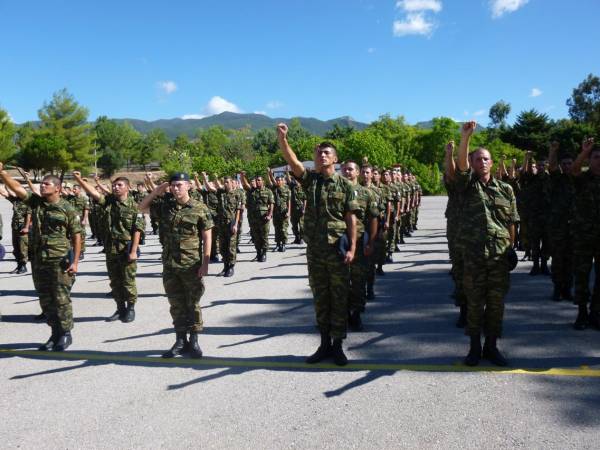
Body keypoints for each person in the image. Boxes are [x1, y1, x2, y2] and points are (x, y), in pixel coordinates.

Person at [277, 123, 358, 366]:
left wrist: (353, 247)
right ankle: (324, 344)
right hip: (316, 251)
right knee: (321, 298)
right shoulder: (310, 180)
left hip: (337, 250)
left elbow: (351, 218)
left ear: (336, 159)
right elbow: (292, 162)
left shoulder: (345, 185)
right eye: (319, 153)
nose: (322, 156)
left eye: (326, 153)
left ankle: (338, 346)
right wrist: (283, 139)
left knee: (339, 298)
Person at [453, 121, 519, 367]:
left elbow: (512, 222)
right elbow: (459, 165)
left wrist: (511, 247)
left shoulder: (506, 190)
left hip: (499, 256)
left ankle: (491, 346)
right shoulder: (466, 186)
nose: (482, 162)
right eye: (477, 159)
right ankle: (474, 348)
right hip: (474, 256)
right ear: (472, 163)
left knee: (495, 304)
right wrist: (465, 138)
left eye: (486, 159)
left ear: (491, 163)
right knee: (474, 303)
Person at [0, 163, 81, 351]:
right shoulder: (36, 203)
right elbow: (18, 189)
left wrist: (75, 262)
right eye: (42, 184)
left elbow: (77, 236)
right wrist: (2, 173)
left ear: (57, 188)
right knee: (45, 299)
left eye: (46, 184)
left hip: (59, 260)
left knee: (61, 299)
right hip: (39, 259)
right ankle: (54, 333)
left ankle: (65, 333)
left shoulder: (67, 208)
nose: (42, 186)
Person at [139, 173, 213, 358]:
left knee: (193, 303)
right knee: (176, 304)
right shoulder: (165, 207)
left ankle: (194, 341)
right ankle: (180, 341)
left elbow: (207, 236)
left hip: (191, 264)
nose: (175, 188)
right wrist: (157, 190)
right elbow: (141, 207)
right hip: (170, 264)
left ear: (188, 186)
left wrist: (205, 262)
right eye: (173, 185)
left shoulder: (199, 208)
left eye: (179, 185)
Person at [73, 172, 144, 323]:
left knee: (128, 281)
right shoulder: (108, 201)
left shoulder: (134, 207)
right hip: (111, 249)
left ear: (128, 188)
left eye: (120, 185)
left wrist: (133, 251)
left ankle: (130, 308)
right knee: (114, 281)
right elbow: (93, 192)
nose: (116, 187)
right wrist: (79, 179)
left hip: (126, 249)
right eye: (114, 185)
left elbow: (137, 230)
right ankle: (120, 308)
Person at [342, 161, 378, 330]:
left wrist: (371, 242)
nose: (347, 172)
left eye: (351, 169)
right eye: (344, 170)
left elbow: (373, 218)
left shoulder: (366, 193)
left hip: (360, 240)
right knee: (339, 281)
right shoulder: (337, 191)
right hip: (340, 241)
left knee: (358, 281)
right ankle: (342, 315)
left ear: (357, 172)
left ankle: (356, 314)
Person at [570, 138, 600, 330]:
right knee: (581, 274)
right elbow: (573, 170)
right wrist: (584, 152)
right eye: (596, 157)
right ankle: (581, 312)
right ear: (590, 160)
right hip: (583, 236)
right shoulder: (583, 179)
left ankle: (595, 313)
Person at [443, 141, 467, 327]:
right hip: (458, 232)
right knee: (460, 273)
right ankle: (464, 310)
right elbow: (451, 174)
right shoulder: (455, 186)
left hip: (479, 238)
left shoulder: (477, 184)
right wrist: (450, 154)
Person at [547, 142, 575, 302]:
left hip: (575, 227)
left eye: (569, 163)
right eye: (564, 164)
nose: (567, 166)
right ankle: (557, 288)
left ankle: (567, 289)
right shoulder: (558, 178)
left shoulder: (579, 179)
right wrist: (553, 151)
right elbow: (551, 166)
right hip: (558, 227)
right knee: (558, 259)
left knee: (571, 261)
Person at [204, 173, 241, 277]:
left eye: (227, 182)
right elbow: (210, 187)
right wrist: (211, 178)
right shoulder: (221, 192)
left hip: (231, 223)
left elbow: (238, 211)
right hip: (221, 223)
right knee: (222, 246)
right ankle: (225, 266)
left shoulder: (237, 194)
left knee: (231, 247)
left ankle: (231, 266)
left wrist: (236, 224)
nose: (225, 184)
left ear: (232, 183)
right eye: (224, 182)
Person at [240, 171, 273, 262]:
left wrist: (270, 215)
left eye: (259, 180)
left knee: (264, 236)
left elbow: (271, 204)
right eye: (256, 180)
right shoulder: (252, 190)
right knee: (256, 236)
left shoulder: (268, 191)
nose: (257, 182)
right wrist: (242, 176)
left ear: (263, 181)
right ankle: (258, 252)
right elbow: (245, 183)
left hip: (264, 218)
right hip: (253, 218)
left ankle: (264, 253)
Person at [0, 184, 30, 274]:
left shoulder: (27, 202)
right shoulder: (16, 200)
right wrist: (6, 186)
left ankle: (23, 266)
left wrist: (26, 227)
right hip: (15, 227)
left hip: (22, 227)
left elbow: (29, 215)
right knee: (16, 247)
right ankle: (19, 266)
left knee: (22, 248)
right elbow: (7, 194)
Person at [268, 169, 291, 252]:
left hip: (284, 212)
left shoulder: (287, 189)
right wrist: (270, 174)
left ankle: (284, 244)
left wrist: (288, 212)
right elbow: (271, 181)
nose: (278, 182)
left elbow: (289, 202)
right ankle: (278, 244)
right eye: (277, 180)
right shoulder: (274, 188)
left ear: (283, 181)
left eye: (279, 180)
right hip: (276, 212)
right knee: (277, 229)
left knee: (283, 229)